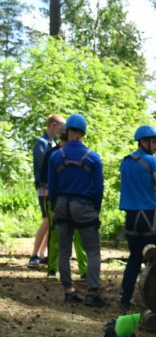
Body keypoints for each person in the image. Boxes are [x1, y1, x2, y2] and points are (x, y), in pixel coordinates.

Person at [48, 113, 105, 307]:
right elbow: (98, 188)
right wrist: (95, 210)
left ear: (67, 132)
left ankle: (68, 291)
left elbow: (52, 187)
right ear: (83, 133)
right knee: (93, 251)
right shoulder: (93, 158)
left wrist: (55, 207)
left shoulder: (56, 156)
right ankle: (91, 293)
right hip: (83, 206)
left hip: (62, 204)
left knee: (64, 250)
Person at [118, 125, 156, 307]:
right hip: (149, 216)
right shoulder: (152, 161)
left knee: (134, 257)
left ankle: (125, 297)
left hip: (131, 216)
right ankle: (152, 300)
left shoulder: (126, 161)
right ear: (143, 142)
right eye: (153, 141)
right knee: (153, 259)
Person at [40, 127, 88, 280]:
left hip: (76, 200)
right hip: (56, 200)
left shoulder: (81, 154)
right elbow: (44, 179)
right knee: (56, 235)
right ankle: (52, 269)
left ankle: (84, 270)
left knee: (79, 236)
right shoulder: (52, 155)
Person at [29, 114, 65, 268]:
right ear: (53, 125)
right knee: (46, 220)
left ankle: (43, 253)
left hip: (54, 187)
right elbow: (44, 164)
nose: (63, 130)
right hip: (44, 187)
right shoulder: (41, 143)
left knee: (52, 221)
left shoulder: (55, 143)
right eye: (61, 126)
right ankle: (34, 255)